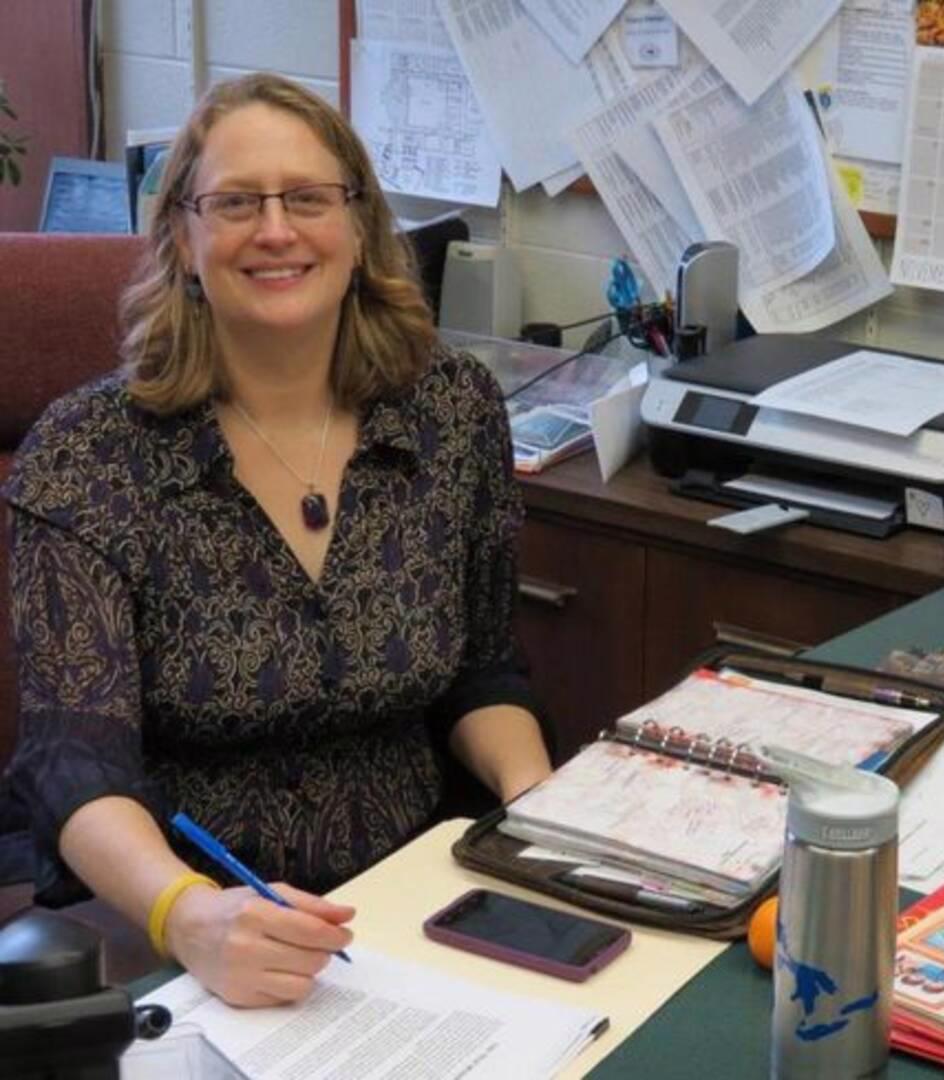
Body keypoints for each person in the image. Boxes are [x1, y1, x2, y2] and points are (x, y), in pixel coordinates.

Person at [1, 73, 552, 1007]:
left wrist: (538, 810)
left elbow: (483, 672)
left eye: (307, 198)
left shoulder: (450, 411)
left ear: (359, 226)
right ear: (182, 236)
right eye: (235, 203)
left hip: (417, 898)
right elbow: (73, 760)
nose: (275, 230)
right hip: (181, 912)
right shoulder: (88, 453)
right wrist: (186, 914)